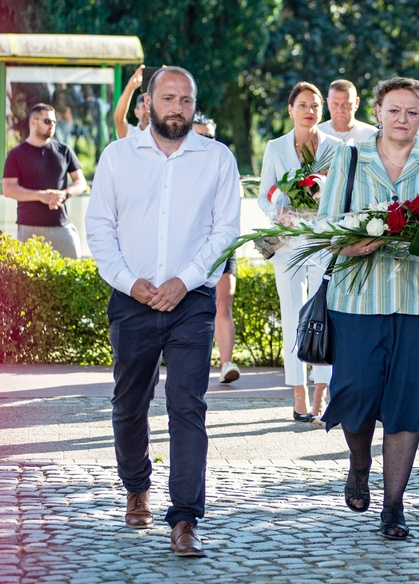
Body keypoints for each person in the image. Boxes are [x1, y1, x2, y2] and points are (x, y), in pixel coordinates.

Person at [85, 66, 241, 557]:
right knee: (129, 404)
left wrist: (183, 281)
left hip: (191, 302)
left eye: (186, 101)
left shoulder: (217, 159)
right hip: (131, 300)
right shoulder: (116, 157)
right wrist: (132, 283)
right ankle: (136, 486)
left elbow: (224, 233)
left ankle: (185, 518)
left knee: (187, 406)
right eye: (168, 98)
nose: (177, 108)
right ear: (147, 103)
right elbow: (99, 229)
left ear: (195, 106)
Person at [317, 77, 419, 540]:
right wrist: (350, 244)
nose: (403, 120)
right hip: (358, 299)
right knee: (354, 394)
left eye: (412, 112)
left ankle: (394, 505)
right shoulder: (349, 157)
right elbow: (327, 225)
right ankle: (359, 463)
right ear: (377, 111)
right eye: (394, 110)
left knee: (406, 403)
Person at [259, 82, 340, 422]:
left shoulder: (336, 148)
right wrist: (280, 208)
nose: (309, 110)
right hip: (289, 244)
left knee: (324, 315)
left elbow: (342, 194)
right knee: (293, 316)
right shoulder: (275, 148)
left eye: (315, 105)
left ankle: (323, 390)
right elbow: (265, 193)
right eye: (303, 104)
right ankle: (298, 392)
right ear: (290, 109)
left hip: (323, 243)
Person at [2, 103, 88, 259]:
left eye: (54, 122)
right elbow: (8, 189)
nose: (52, 126)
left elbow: (80, 182)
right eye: (47, 121)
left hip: (61, 225)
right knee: (28, 281)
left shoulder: (64, 150)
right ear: (33, 122)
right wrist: (41, 195)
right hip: (29, 228)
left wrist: (64, 194)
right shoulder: (16, 154)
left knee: (73, 273)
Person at [192, 113, 241, 384]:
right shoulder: (177, 165)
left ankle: (226, 364)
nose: (206, 141)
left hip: (222, 242)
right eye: (199, 136)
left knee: (224, 302)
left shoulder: (224, 161)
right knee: (192, 305)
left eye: (210, 136)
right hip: (190, 245)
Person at [317, 79, 378, 145]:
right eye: (335, 104)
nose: (340, 110)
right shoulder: (316, 134)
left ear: (357, 102)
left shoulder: (372, 135)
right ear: (328, 103)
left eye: (346, 104)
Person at [114, 64, 151, 139]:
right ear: (136, 112)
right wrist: (130, 87)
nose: (148, 111)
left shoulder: (164, 135)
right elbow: (119, 119)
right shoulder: (130, 134)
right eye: (144, 106)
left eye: (150, 106)